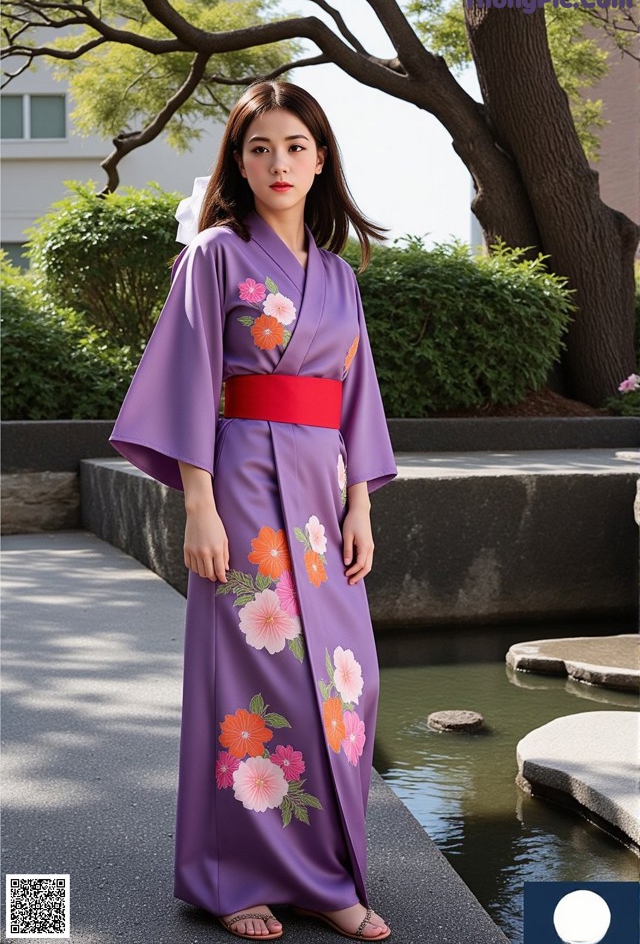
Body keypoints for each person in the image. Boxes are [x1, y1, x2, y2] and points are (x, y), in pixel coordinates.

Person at [110, 80, 397, 941]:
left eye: (297, 147)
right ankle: (235, 879)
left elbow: (357, 397)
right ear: (238, 160)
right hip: (240, 483)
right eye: (260, 147)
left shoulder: (340, 276)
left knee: (349, 686)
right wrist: (196, 505)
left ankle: (321, 876)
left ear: (321, 160)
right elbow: (190, 380)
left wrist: (361, 506)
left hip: (320, 491)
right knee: (255, 681)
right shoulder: (215, 256)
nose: (280, 163)